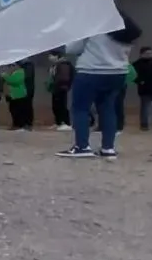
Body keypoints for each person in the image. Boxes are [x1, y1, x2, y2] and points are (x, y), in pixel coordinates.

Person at [57, 12, 142, 159]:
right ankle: (108, 148)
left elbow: (72, 49)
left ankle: (82, 147)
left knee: (81, 109)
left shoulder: (93, 25)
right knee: (108, 109)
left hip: (91, 71)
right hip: (118, 73)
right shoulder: (127, 27)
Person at [132, 46, 152, 131]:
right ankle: (144, 124)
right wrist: (140, 81)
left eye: (151, 53)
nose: (149, 55)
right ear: (142, 54)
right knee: (145, 108)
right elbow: (132, 76)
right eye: (147, 53)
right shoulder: (137, 64)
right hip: (145, 89)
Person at [46, 51, 75, 131]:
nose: (49, 58)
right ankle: (58, 122)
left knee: (62, 105)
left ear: (56, 56)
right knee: (55, 106)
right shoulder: (55, 65)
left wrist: (57, 83)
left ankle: (66, 123)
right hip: (55, 88)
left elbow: (64, 77)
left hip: (62, 87)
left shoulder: (64, 64)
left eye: (51, 56)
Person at [2, 62, 30, 131]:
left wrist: (5, 76)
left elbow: (14, 81)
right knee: (13, 111)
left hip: (19, 95)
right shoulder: (13, 73)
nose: (10, 67)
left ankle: (21, 125)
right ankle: (15, 124)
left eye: (12, 65)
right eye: (9, 66)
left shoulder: (20, 72)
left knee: (19, 111)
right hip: (12, 96)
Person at [21, 59, 36, 128]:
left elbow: (27, 76)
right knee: (25, 106)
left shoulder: (28, 65)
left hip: (27, 89)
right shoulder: (26, 65)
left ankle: (27, 124)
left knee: (27, 106)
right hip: (27, 88)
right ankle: (26, 123)